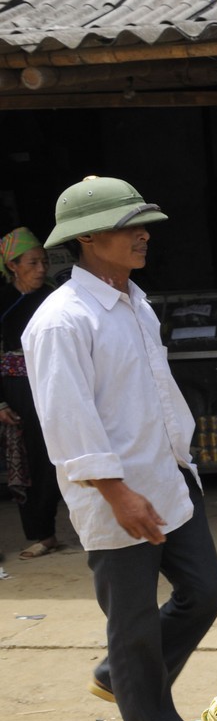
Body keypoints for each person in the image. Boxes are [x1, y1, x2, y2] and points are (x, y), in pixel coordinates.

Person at [22, 176, 217, 721]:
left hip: (168, 476)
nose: (142, 235)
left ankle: (121, 676)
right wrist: (116, 492)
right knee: (133, 624)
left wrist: (181, 457)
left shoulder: (135, 301)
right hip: (115, 494)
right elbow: (68, 422)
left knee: (208, 590)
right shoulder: (62, 321)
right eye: (126, 225)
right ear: (87, 239)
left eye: (143, 224)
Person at [1, 226, 64, 560]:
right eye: (33, 263)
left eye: (44, 262)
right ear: (13, 265)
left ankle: (51, 531)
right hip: (14, 390)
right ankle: (40, 532)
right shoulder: (3, 300)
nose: (41, 269)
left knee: (51, 459)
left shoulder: (53, 297)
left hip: (51, 383)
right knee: (25, 464)